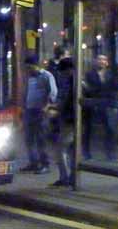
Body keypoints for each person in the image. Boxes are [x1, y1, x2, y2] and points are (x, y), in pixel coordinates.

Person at [21, 54, 58, 174]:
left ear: (35, 66)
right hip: (29, 110)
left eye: (29, 67)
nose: (28, 70)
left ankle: (45, 164)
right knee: (29, 138)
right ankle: (33, 162)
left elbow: (53, 93)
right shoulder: (29, 77)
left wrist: (46, 107)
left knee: (41, 139)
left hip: (41, 112)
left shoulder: (47, 76)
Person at [47, 51, 75, 187]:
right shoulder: (75, 82)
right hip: (73, 121)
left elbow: (65, 102)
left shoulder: (71, 84)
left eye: (63, 71)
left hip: (70, 121)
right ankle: (71, 177)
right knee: (70, 150)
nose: (61, 74)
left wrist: (55, 108)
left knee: (60, 148)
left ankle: (65, 178)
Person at [83, 54, 116, 161]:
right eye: (100, 59)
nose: (102, 61)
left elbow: (114, 89)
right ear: (95, 61)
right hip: (94, 103)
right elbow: (88, 89)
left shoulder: (110, 74)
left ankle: (109, 153)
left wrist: (114, 104)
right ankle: (86, 152)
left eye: (104, 59)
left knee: (110, 129)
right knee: (89, 129)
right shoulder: (90, 74)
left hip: (107, 104)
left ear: (107, 62)